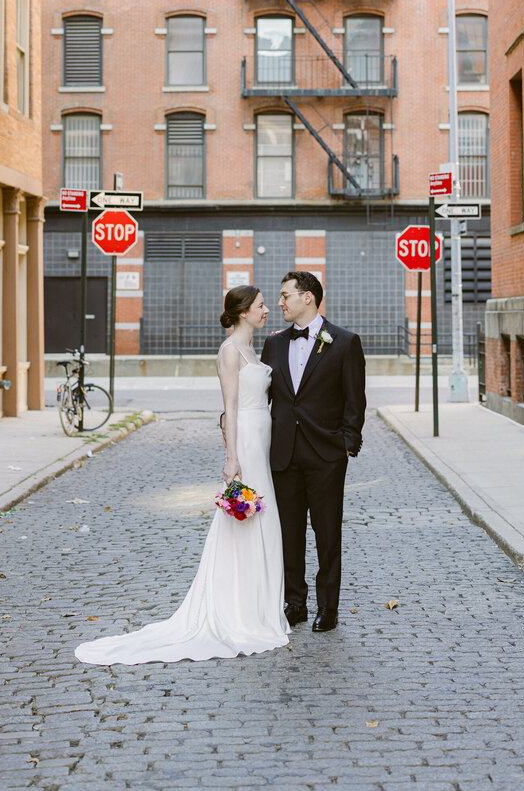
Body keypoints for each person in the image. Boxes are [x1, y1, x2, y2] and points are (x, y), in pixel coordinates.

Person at [74, 285, 289, 666]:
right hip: (247, 445)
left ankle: (261, 606)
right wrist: (231, 456)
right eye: (260, 305)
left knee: (264, 522)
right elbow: (231, 407)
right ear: (242, 312)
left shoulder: (252, 348)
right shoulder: (228, 352)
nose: (267, 309)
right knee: (247, 520)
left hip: (262, 437)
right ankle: (240, 609)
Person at [261, 271, 366, 634]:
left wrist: (346, 444)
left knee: (327, 533)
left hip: (325, 456)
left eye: (285, 295)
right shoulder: (273, 345)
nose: (279, 302)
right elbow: (267, 401)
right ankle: (295, 603)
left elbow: (356, 400)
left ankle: (328, 607)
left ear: (307, 298)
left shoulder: (344, 342)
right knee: (289, 533)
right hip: (284, 456)